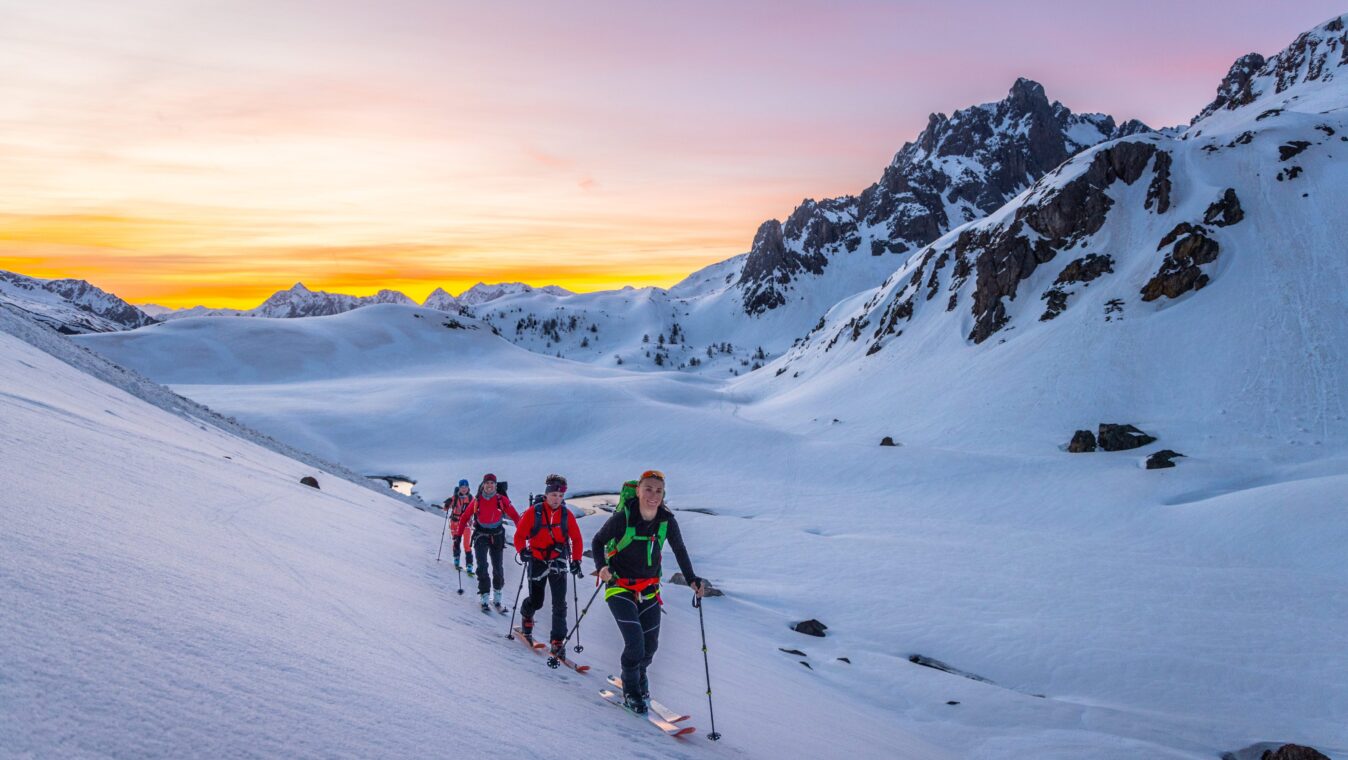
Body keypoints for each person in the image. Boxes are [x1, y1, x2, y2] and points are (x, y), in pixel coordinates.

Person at [591, 470, 705, 714]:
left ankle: (639, 676)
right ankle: (632, 693)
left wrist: (692, 579)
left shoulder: (667, 521)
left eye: (658, 490)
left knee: (650, 647)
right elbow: (598, 542)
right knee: (635, 644)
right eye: (648, 489)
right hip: (619, 587)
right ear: (639, 490)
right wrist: (601, 567)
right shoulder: (623, 518)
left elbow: (680, 550)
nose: (653, 495)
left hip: (650, 589)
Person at [514, 474, 584, 655]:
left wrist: (576, 560)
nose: (557, 499)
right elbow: (520, 535)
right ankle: (526, 617)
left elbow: (576, 539)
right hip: (536, 559)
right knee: (537, 601)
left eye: (561, 496)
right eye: (554, 495)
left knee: (560, 603)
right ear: (546, 494)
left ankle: (557, 641)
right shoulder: (534, 512)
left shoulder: (566, 515)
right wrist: (522, 551)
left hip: (558, 560)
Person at [457, 473, 520, 612]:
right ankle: (485, 596)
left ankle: (497, 596)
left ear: (495, 485)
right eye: (487, 483)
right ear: (483, 485)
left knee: (498, 568)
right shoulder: (477, 500)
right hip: (481, 535)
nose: (489, 486)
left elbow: (515, 516)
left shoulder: (501, 500)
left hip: (497, 535)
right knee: (482, 566)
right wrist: (458, 536)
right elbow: (465, 517)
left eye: (492, 483)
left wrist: (523, 534)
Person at [443, 479, 475, 573]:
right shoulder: (455, 498)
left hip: (466, 524)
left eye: (465, 487)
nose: (464, 489)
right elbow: (445, 509)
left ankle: (469, 565)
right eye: (462, 487)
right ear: (459, 488)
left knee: (466, 544)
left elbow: (476, 509)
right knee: (456, 542)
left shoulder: (471, 499)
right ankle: (456, 559)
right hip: (455, 523)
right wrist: (447, 504)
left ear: (468, 487)